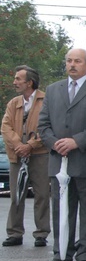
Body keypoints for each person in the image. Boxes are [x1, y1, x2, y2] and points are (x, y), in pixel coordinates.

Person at [38, 48, 86, 261]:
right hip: (59, 161)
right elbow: (43, 124)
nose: (72, 65)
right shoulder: (53, 89)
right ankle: (61, 256)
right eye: (69, 61)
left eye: (77, 61)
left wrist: (76, 141)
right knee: (61, 211)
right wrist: (55, 143)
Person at [1, 66, 50, 248]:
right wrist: (19, 146)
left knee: (42, 194)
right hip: (17, 156)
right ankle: (14, 233)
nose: (14, 82)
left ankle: (41, 234)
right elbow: (5, 127)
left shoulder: (47, 100)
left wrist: (30, 145)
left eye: (18, 79)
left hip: (40, 155)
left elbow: (48, 127)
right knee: (16, 194)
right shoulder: (13, 103)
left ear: (29, 82)